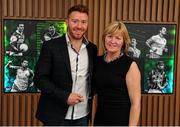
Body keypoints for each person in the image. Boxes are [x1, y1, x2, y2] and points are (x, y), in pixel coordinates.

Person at [33, 4, 97, 126]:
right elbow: (39, 79)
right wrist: (65, 96)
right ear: (67, 22)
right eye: (75, 21)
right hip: (56, 116)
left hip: (83, 116)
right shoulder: (51, 46)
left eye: (83, 22)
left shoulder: (92, 49)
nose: (79, 26)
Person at [93, 21, 141, 126]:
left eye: (118, 38)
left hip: (121, 121)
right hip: (100, 119)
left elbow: (135, 104)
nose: (112, 41)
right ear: (104, 38)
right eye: (110, 36)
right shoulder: (97, 61)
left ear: (123, 42)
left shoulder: (130, 65)